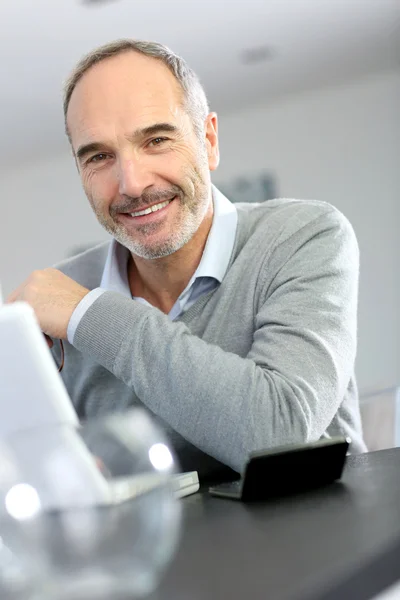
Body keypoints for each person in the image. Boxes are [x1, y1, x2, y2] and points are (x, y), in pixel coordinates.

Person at [7, 39, 366, 479]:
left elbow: (281, 434)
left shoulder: (303, 236)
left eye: (156, 140)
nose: (133, 184)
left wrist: (89, 314)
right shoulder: (53, 298)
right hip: (150, 548)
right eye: (99, 156)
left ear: (209, 140)